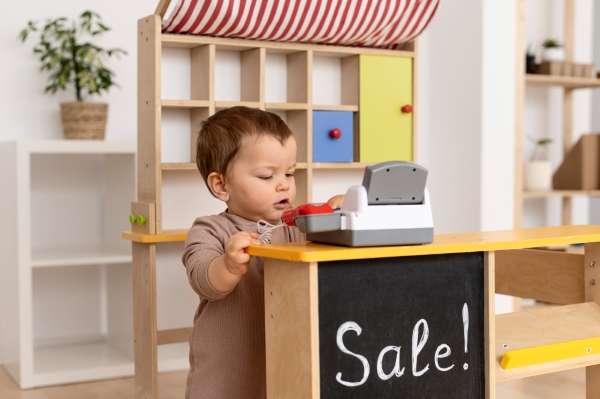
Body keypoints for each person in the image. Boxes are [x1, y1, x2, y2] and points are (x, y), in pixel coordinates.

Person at [182, 106, 342, 398]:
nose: (284, 184)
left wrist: (336, 215)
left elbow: (326, 253)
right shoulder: (210, 230)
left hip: (284, 356)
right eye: (267, 176)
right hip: (227, 369)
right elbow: (202, 278)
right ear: (221, 184)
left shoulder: (295, 227)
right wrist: (227, 266)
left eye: (290, 173)